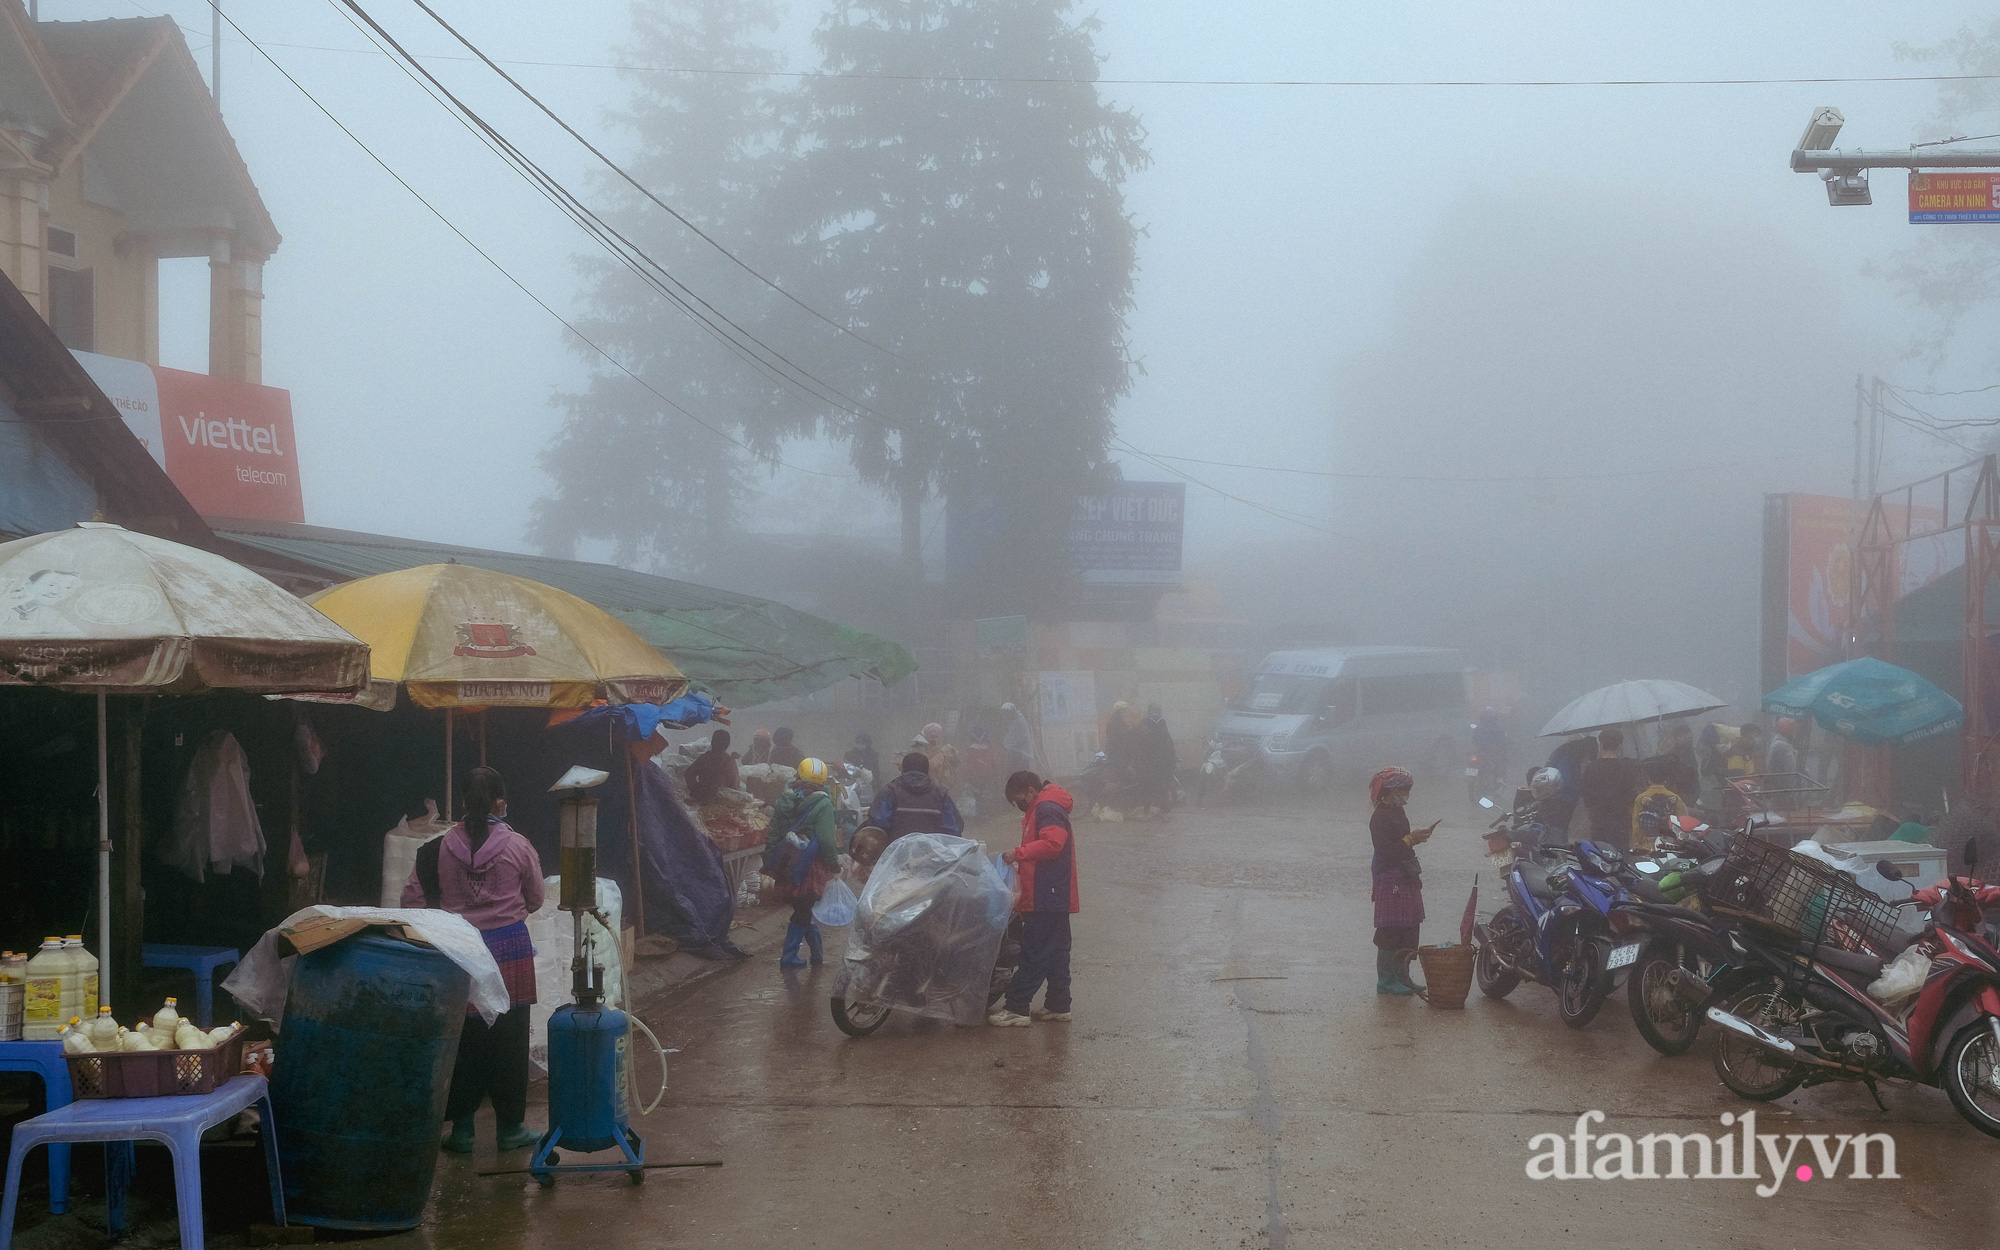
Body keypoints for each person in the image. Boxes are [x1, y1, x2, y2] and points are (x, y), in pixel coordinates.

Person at [402, 767, 544, 1154]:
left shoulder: (437, 849)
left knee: (463, 1040)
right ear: (500, 804)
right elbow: (536, 898)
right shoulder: (518, 846)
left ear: (464, 804)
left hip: (459, 951)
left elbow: (411, 901)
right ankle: (510, 1129)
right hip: (510, 952)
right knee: (509, 1039)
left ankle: (462, 1131)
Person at [990, 770, 1078, 1026]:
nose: (1019, 805)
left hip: (1046, 892)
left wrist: (1018, 853)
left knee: (1034, 950)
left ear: (1030, 790)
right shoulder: (1044, 807)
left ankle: (1017, 1007)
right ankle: (1058, 1005)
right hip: (1054, 891)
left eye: (1019, 799)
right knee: (1057, 951)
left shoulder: (1047, 808)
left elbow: (1053, 845)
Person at [761, 758, 841, 967]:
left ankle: (817, 955)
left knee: (802, 907)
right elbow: (826, 839)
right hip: (810, 866)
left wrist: (770, 860)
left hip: (786, 862)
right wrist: (834, 864)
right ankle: (789, 958)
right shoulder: (823, 803)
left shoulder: (784, 799)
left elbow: (775, 832)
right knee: (804, 908)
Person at [1368, 766, 1434, 996]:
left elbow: (1403, 843)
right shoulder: (1379, 818)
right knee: (1391, 930)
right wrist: (1409, 839)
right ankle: (1386, 981)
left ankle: (1403, 977)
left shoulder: (1398, 812)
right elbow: (1386, 852)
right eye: (1403, 790)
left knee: (1409, 929)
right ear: (1391, 790)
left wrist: (1414, 839)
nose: (1406, 794)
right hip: (1390, 878)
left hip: (1406, 876)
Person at [868, 752, 964, 843]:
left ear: (903, 770)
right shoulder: (940, 794)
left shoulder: (890, 792)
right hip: (933, 855)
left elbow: (878, 825)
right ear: (927, 771)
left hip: (896, 854)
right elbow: (954, 830)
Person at [1579, 728, 1644, 852]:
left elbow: (1587, 802)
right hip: (1621, 823)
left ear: (1601, 745)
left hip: (1599, 823)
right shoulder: (1627, 768)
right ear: (1620, 746)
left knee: (1600, 858)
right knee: (1621, 860)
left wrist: (1593, 821)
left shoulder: (1591, 769)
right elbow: (1632, 799)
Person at [1542, 733, 1597, 838]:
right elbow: (1568, 782)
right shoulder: (1570, 756)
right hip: (1562, 798)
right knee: (1560, 827)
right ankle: (1560, 847)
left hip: (1555, 797)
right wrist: (1581, 790)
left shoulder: (1563, 751)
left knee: (1559, 827)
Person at [1133, 702, 1178, 816]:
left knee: (1162, 787)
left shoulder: (1162, 723)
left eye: (1158, 710)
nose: (1156, 713)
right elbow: (1139, 745)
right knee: (1148, 788)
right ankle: (1146, 811)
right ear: (1149, 711)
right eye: (1154, 710)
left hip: (1161, 763)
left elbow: (1168, 742)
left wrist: (1171, 759)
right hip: (1148, 763)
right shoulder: (1144, 724)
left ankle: (1162, 811)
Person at [684, 729, 739, 805]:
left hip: (702, 799)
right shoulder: (728, 761)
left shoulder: (704, 757)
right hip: (721, 802)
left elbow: (688, 774)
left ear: (712, 742)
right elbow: (734, 785)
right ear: (727, 745)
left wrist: (695, 790)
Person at [1471, 707, 1509, 799]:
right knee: (1501, 765)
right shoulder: (1498, 729)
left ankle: (1497, 783)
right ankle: (1499, 782)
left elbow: (1473, 741)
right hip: (1491, 754)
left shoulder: (1477, 728)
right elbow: (1503, 743)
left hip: (1479, 753)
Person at [1001, 702, 1035, 775]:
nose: (1005, 715)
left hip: (1022, 752)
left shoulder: (1019, 721)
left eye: (1006, 713)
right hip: (1016, 751)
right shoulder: (1013, 721)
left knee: (1020, 771)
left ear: (1011, 712)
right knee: (1014, 770)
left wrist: (1008, 743)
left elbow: (1019, 737)